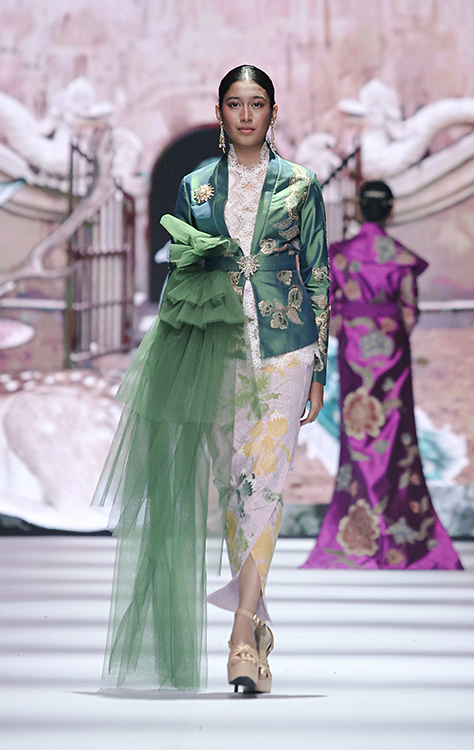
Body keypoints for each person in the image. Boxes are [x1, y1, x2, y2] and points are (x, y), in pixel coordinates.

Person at [93, 65, 330, 692]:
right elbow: (183, 273)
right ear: (220, 111)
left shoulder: (301, 184)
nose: (246, 115)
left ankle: (241, 633)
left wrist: (319, 367)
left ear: (273, 111)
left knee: (266, 480)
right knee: (233, 482)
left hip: (287, 343)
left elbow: (318, 274)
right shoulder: (195, 186)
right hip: (216, 344)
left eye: (257, 103)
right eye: (234, 103)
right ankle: (257, 628)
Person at [303, 181, 462, 570]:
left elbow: (331, 311)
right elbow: (409, 312)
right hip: (392, 352)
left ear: (358, 209)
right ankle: (403, 535)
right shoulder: (400, 258)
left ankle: (356, 534)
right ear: (390, 210)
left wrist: (355, 331)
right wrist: (387, 334)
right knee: (397, 437)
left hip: (355, 351)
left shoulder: (341, 255)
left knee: (357, 437)